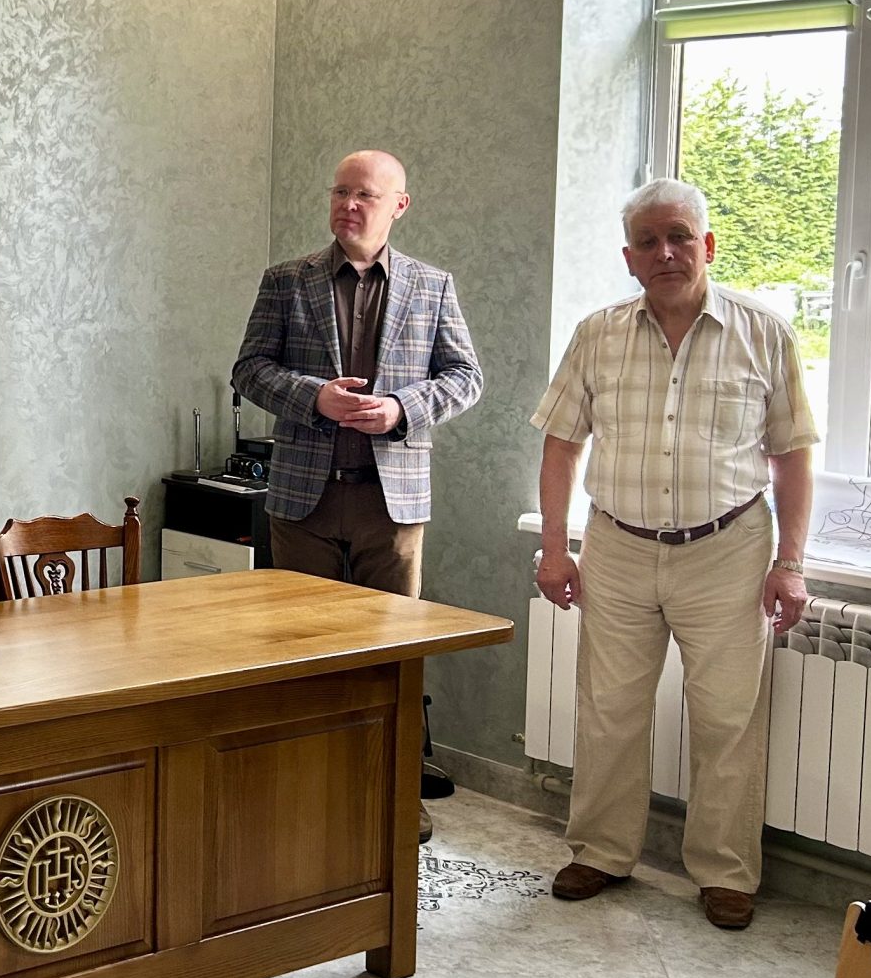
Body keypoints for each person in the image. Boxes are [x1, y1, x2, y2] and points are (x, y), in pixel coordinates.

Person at [530, 177, 816, 931]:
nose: (666, 252)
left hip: (729, 550)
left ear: (707, 244)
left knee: (728, 718)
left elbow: (792, 455)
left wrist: (791, 563)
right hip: (617, 547)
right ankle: (601, 851)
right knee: (608, 710)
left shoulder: (764, 332)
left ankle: (725, 873)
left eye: (680, 236)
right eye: (649, 241)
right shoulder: (597, 334)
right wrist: (555, 548)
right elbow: (561, 444)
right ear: (629, 258)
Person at [231, 150, 484, 834]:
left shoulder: (432, 286)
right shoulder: (287, 281)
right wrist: (315, 397)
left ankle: (393, 797)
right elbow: (249, 369)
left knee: (391, 657)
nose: (348, 204)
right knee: (301, 651)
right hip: (304, 501)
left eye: (364, 194)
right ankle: (305, 791)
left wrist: (402, 409)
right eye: (340, 191)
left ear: (399, 205)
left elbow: (466, 377)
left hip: (390, 504)